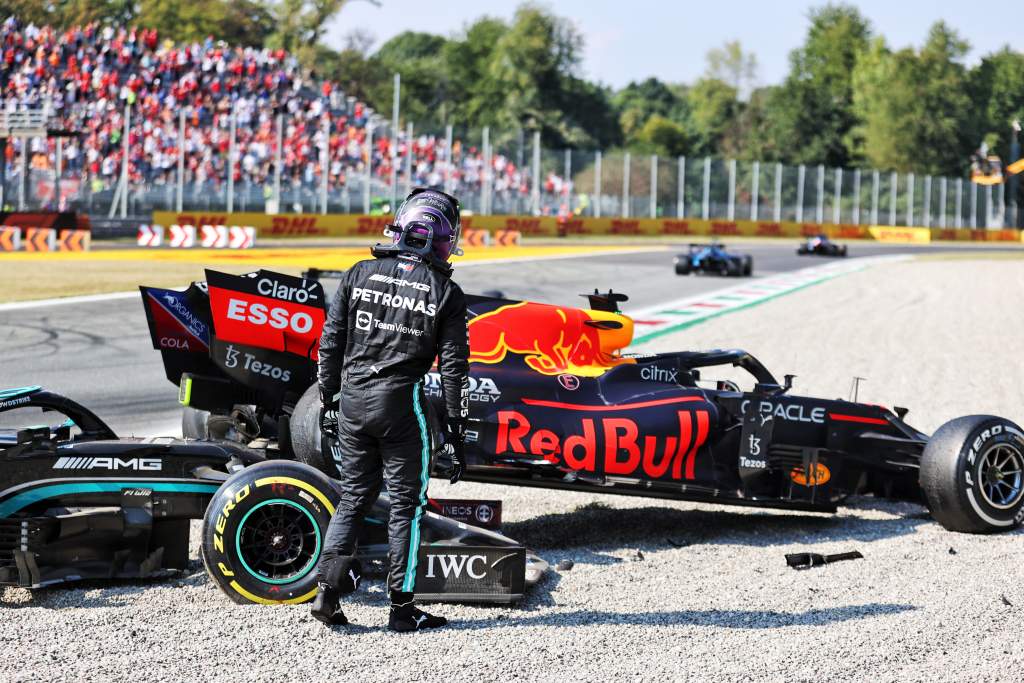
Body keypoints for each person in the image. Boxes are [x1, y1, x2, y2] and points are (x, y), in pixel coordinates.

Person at [312, 188, 469, 632]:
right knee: (407, 507)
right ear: (442, 239)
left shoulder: (359, 272)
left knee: (353, 498)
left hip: (353, 404)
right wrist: (455, 430)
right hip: (401, 408)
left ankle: (327, 593)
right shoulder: (446, 292)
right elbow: (455, 369)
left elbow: (329, 344)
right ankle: (402, 609)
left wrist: (329, 400)